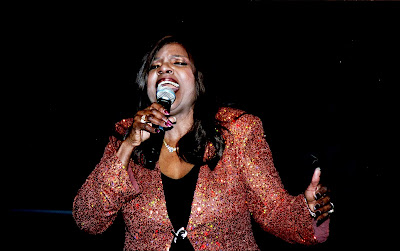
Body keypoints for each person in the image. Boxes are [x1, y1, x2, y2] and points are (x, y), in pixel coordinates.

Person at [73, 35, 334, 250]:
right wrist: (128, 146)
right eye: (155, 66)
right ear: (147, 85)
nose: (164, 68)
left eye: (178, 62)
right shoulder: (124, 136)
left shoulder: (237, 131)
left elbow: (274, 212)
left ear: (198, 81)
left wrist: (309, 209)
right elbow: (88, 218)